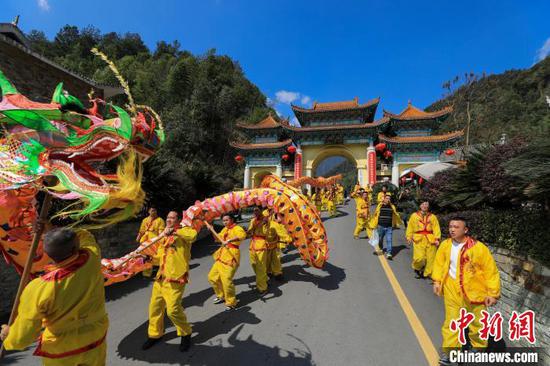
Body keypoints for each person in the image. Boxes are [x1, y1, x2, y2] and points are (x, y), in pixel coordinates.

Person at [1, 228, 108, 366]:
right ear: (75, 247)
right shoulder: (92, 256)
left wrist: (9, 336)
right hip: (95, 339)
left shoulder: (37, 288)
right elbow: (85, 235)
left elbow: (23, 336)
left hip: (61, 350)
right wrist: (47, 229)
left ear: (47, 254)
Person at [432, 217, 500, 366]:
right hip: (452, 289)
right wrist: (437, 281)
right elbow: (439, 263)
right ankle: (451, 353)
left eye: (456, 227)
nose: (452, 229)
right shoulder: (445, 245)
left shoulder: (478, 248)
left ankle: (478, 347)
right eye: (450, 226)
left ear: (465, 230)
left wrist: (493, 293)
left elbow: (491, 271)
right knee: (452, 322)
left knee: (477, 322)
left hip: (475, 292)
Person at [142, 211, 198, 352]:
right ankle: (155, 334)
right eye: (167, 217)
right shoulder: (164, 237)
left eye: (172, 218)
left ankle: (186, 333)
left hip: (176, 278)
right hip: (161, 278)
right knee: (154, 308)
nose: (168, 220)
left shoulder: (184, 232)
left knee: (173, 310)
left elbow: (193, 235)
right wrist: (150, 259)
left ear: (178, 220)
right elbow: (160, 256)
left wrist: (175, 232)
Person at [206, 214, 247, 310]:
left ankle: (231, 302)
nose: (225, 222)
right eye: (223, 220)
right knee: (212, 277)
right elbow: (217, 238)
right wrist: (212, 230)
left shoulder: (237, 228)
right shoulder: (225, 229)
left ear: (232, 220)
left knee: (226, 280)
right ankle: (221, 295)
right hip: (221, 255)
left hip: (231, 255)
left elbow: (242, 235)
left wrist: (229, 240)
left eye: (227, 220)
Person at [406, 201, 441, 279]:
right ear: (420, 205)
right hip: (418, 239)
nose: (425, 206)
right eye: (423, 204)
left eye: (426, 204)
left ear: (428, 206)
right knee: (419, 257)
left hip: (430, 239)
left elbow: (436, 228)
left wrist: (437, 239)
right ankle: (417, 268)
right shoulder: (414, 216)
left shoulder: (433, 217)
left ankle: (426, 273)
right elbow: (410, 227)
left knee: (430, 259)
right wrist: (409, 237)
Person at [369, 195, 403, 260]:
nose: (388, 200)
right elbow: (375, 215)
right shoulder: (380, 206)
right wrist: (374, 225)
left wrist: (396, 224)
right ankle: (381, 248)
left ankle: (389, 253)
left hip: (389, 226)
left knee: (389, 240)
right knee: (380, 239)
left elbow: (395, 215)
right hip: (380, 226)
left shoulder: (392, 206)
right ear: (384, 199)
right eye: (387, 198)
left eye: (389, 199)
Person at [136, 207, 165, 277]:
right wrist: (138, 237)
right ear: (149, 211)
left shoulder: (160, 220)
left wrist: (161, 240)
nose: (153, 212)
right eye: (152, 210)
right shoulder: (145, 220)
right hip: (146, 242)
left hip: (155, 242)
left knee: (156, 257)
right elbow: (141, 230)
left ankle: (161, 271)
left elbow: (161, 232)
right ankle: (146, 274)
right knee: (146, 257)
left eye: (155, 210)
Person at [247, 207, 269, 294]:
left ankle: (263, 287)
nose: (255, 212)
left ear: (261, 211)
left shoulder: (266, 220)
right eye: (254, 210)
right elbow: (249, 232)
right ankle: (264, 279)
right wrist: (249, 232)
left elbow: (266, 232)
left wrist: (265, 223)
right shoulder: (252, 221)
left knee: (261, 266)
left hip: (261, 244)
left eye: (257, 210)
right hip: (253, 244)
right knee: (254, 264)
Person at [266, 212, 292, 281]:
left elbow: (282, 233)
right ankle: (268, 272)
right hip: (264, 247)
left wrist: (289, 240)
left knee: (276, 259)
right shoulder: (258, 222)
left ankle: (278, 274)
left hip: (274, 244)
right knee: (267, 261)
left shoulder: (275, 220)